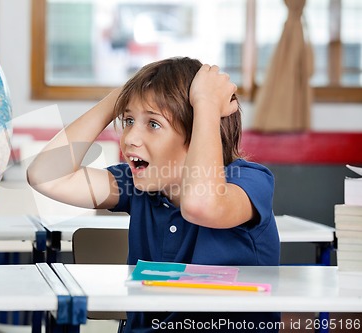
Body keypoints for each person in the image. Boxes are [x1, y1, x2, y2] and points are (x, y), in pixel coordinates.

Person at [27, 57, 280, 332]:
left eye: (153, 124)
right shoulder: (137, 184)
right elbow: (47, 176)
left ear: (201, 130)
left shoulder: (249, 180)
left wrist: (205, 104)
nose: (130, 138)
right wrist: (117, 99)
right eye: (128, 120)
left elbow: (202, 205)